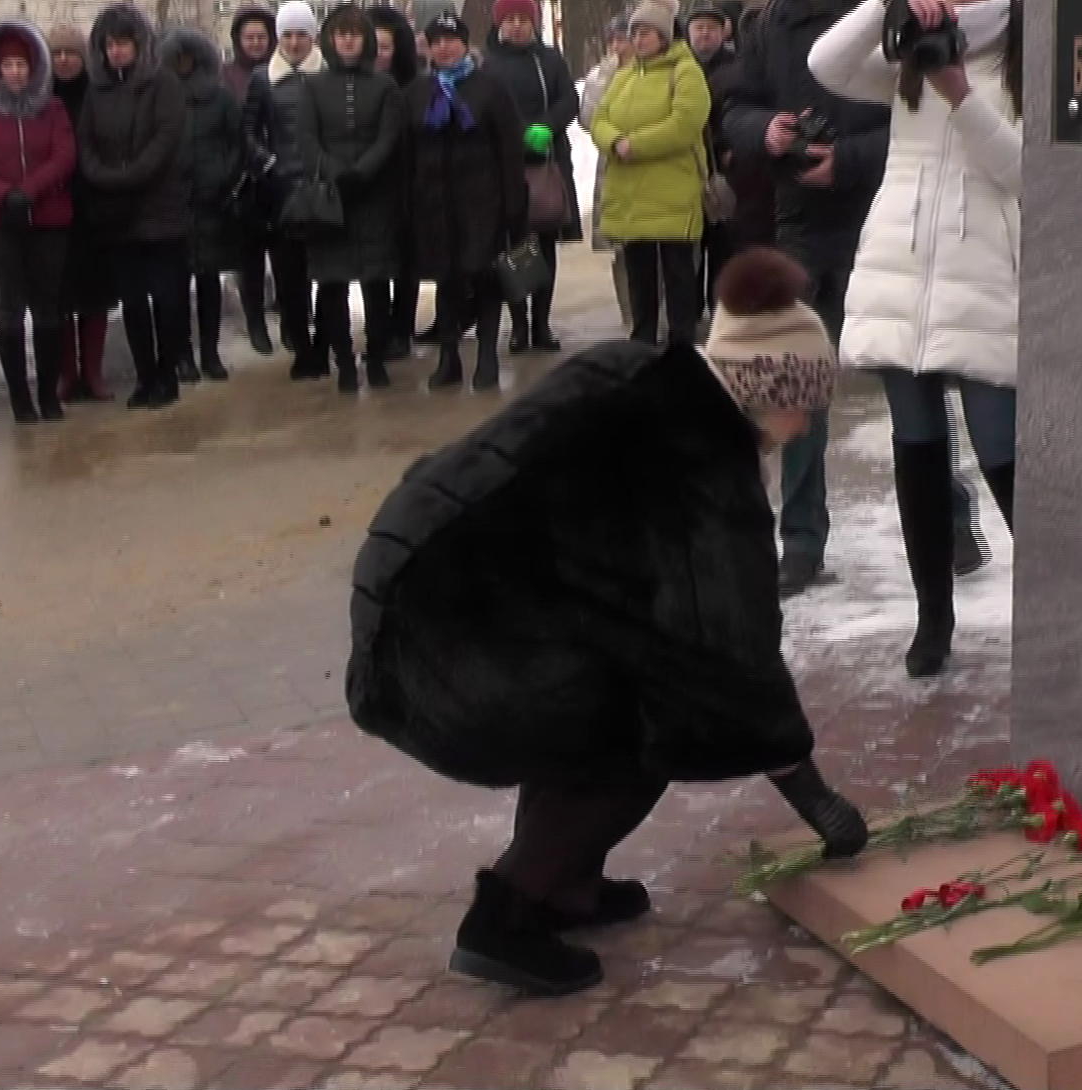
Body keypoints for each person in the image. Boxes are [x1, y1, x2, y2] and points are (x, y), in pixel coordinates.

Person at [345, 247, 869, 996]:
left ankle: (567, 887)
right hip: (452, 647)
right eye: (806, 405)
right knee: (647, 728)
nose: (808, 422)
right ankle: (506, 916)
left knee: (599, 674)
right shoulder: (705, 466)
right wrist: (812, 793)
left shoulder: (632, 369)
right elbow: (730, 661)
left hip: (406, 597)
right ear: (768, 391)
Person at [726, 0, 985, 598]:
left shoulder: (887, 14)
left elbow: (927, 116)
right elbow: (736, 108)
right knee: (796, 384)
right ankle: (801, 541)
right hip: (800, 225)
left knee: (910, 383)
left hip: (883, 218)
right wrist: (765, 130)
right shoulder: (767, 26)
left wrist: (846, 159)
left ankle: (951, 521)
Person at [809, 0, 1019, 676]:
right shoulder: (910, 52)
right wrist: (888, 4)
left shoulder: (1023, 56)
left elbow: (1026, 173)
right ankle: (934, 617)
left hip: (985, 274)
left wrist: (962, 97)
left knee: (1002, 448)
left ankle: (1061, 609)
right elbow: (826, 64)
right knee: (917, 445)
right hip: (900, 270)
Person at [400, 12, 524, 392]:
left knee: (485, 278)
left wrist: (513, 205)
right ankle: (449, 358)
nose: (444, 48)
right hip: (434, 205)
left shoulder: (490, 89)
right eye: (436, 41)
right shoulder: (417, 93)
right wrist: (408, 202)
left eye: (451, 40)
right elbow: (406, 152)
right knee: (447, 281)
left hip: (482, 202)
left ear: (465, 44)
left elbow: (510, 150)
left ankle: (487, 356)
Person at [0, 21, 79, 424]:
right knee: (10, 311)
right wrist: (4, 195)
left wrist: (29, 191)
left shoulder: (53, 109)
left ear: (33, 68)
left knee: (48, 310)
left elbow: (64, 156)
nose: (15, 72)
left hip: (48, 222)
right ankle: (20, 399)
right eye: (7, 65)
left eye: (21, 65)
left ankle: (48, 394)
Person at [79, 2, 191, 411]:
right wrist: (104, 176)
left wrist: (127, 175)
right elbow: (86, 144)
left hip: (160, 212)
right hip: (118, 217)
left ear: (139, 44)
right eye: (110, 45)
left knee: (166, 299)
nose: (117, 51)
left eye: (123, 43)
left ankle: (167, 374)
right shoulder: (97, 90)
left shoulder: (163, 85)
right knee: (132, 302)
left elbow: (165, 140)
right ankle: (145, 377)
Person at [591, 0, 710, 350]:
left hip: (672, 192)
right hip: (630, 194)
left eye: (646, 33)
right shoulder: (625, 74)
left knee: (677, 273)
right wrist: (614, 141)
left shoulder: (685, 72)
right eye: (635, 33)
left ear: (664, 36)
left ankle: (681, 344)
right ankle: (642, 341)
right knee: (638, 273)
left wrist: (636, 145)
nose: (638, 39)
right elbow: (599, 119)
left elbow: (685, 124)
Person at [297, 2, 403, 393]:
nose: (347, 41)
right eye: (341, 34)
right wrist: (334, 172)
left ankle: (376, 359)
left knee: (376, 284)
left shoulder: (384, 86)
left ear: (366, 40)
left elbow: (389, 137)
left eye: (355, 34)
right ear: (329, 40)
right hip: (330, 198)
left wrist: (362, 172)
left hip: (374, 195)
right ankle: (343, 361)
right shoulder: (312, 86)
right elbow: (306, 140)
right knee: (332, 284)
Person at [478, 0, 578, 354]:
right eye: (511, 19)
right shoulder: (487, 64)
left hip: (548, 160)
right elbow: (484, 107)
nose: (518, 25)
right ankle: (519, 324)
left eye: (524, 19)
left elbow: (569, 100)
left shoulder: (550, 60)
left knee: (545, 244)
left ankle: (541, 323)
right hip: (505, 165)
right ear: (499, 24)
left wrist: (547, 126)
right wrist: (516, 134)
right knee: (515, 247)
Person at [244, 0, 325, 380]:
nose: (294, 43)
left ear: (313, 37)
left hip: (323, 187)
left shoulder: (328, 73)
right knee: (289, 276)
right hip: (282, 191)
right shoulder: (263, 78)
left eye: (301, 35)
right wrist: (267, 163)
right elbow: (247, 130)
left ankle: (325, 343)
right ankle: (302, 349)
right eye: (287, 35)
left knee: (328, 274)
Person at [163, 26, 242, 384]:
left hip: (212, 201)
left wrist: (222, 177)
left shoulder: (220, 97)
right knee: (176, 283)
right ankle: (182, 354)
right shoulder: (162, 99)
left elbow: (237, 143)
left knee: (209, 280)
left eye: (188, 58)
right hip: (173, 202)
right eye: (176, 59)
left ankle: (210, 352)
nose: (183, 65)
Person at [48, 24, 117, 402]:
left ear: (83, 58)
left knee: (95, 294)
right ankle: (67, 374)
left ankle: (93, 371)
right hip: (53, 209)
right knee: (60, 294)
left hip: (95, 208)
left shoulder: (99, 94)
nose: (63, 60)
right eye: (56, 53)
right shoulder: (41, 96)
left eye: (70, 53)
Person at [366, 3, 419, 369]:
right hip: (369, 187)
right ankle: (378, 330)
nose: (379, 54)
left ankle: (402, 329)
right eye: (373, 45)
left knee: (406, 263)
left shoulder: (414, 87)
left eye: (385, 46)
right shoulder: (352, 86)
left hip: (408, 186)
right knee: (372, 263)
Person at [225, 3, 278, 356]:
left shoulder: (280, 71)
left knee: (289, 255)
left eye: (262, 37)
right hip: (243, 178)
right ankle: (255, 322)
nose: (256, 43)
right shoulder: (226, 76)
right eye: (250, 37)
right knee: (250, 258)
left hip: (281, 174)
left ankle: (294, 319)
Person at [578, 13, 633, 331]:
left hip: (651, 163)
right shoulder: (601, 75)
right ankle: (630, 317)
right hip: (612, 164)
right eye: (614, 39)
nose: (618, 45)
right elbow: (588, 118)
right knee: (621, 247)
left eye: (624, 38)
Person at [684, 3, 740, 310]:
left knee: (722, 245)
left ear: (723, 32)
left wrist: (728, 149)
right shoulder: (679, 67)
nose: (704, 34)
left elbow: (739, 115)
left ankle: (719, 307)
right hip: (685, 169)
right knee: (687, 248)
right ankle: (688, 310)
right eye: (699, 28)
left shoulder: (736, 69)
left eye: (711, 28)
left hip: (722, 169)